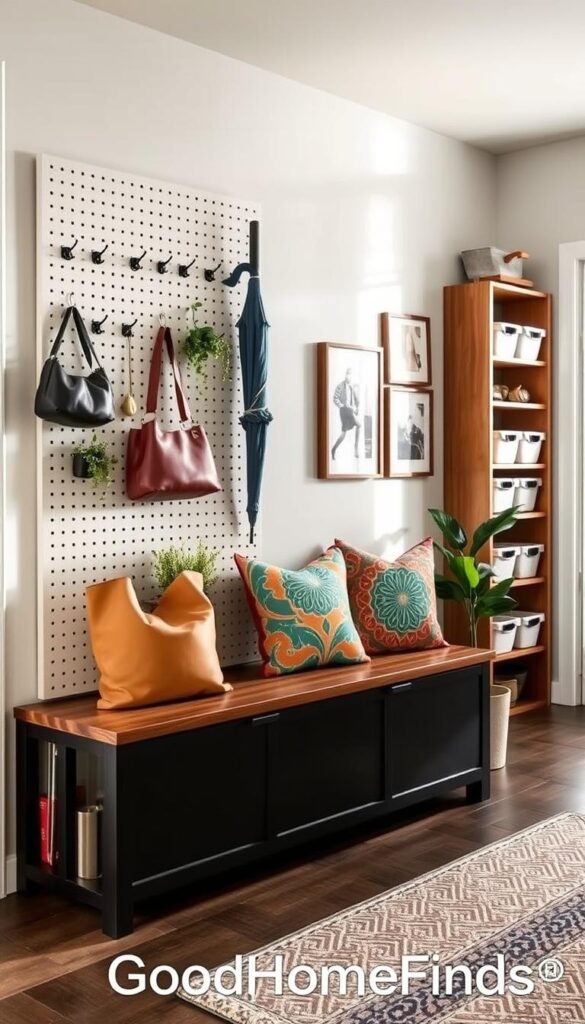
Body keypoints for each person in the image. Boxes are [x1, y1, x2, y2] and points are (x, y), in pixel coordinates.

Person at [331, 368, 361, 461]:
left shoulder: (351, 387)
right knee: (357, 426)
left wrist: (357, 407)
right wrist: (342, 406)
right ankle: (355, 449)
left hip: (350, 411)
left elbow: (356, 399)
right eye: (348, 374)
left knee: (345, 432)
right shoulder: (340, 386)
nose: (349, 377)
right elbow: (335, 398)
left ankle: (334, 449)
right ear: (345, 375)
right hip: (344, 411)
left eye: (351, 375)